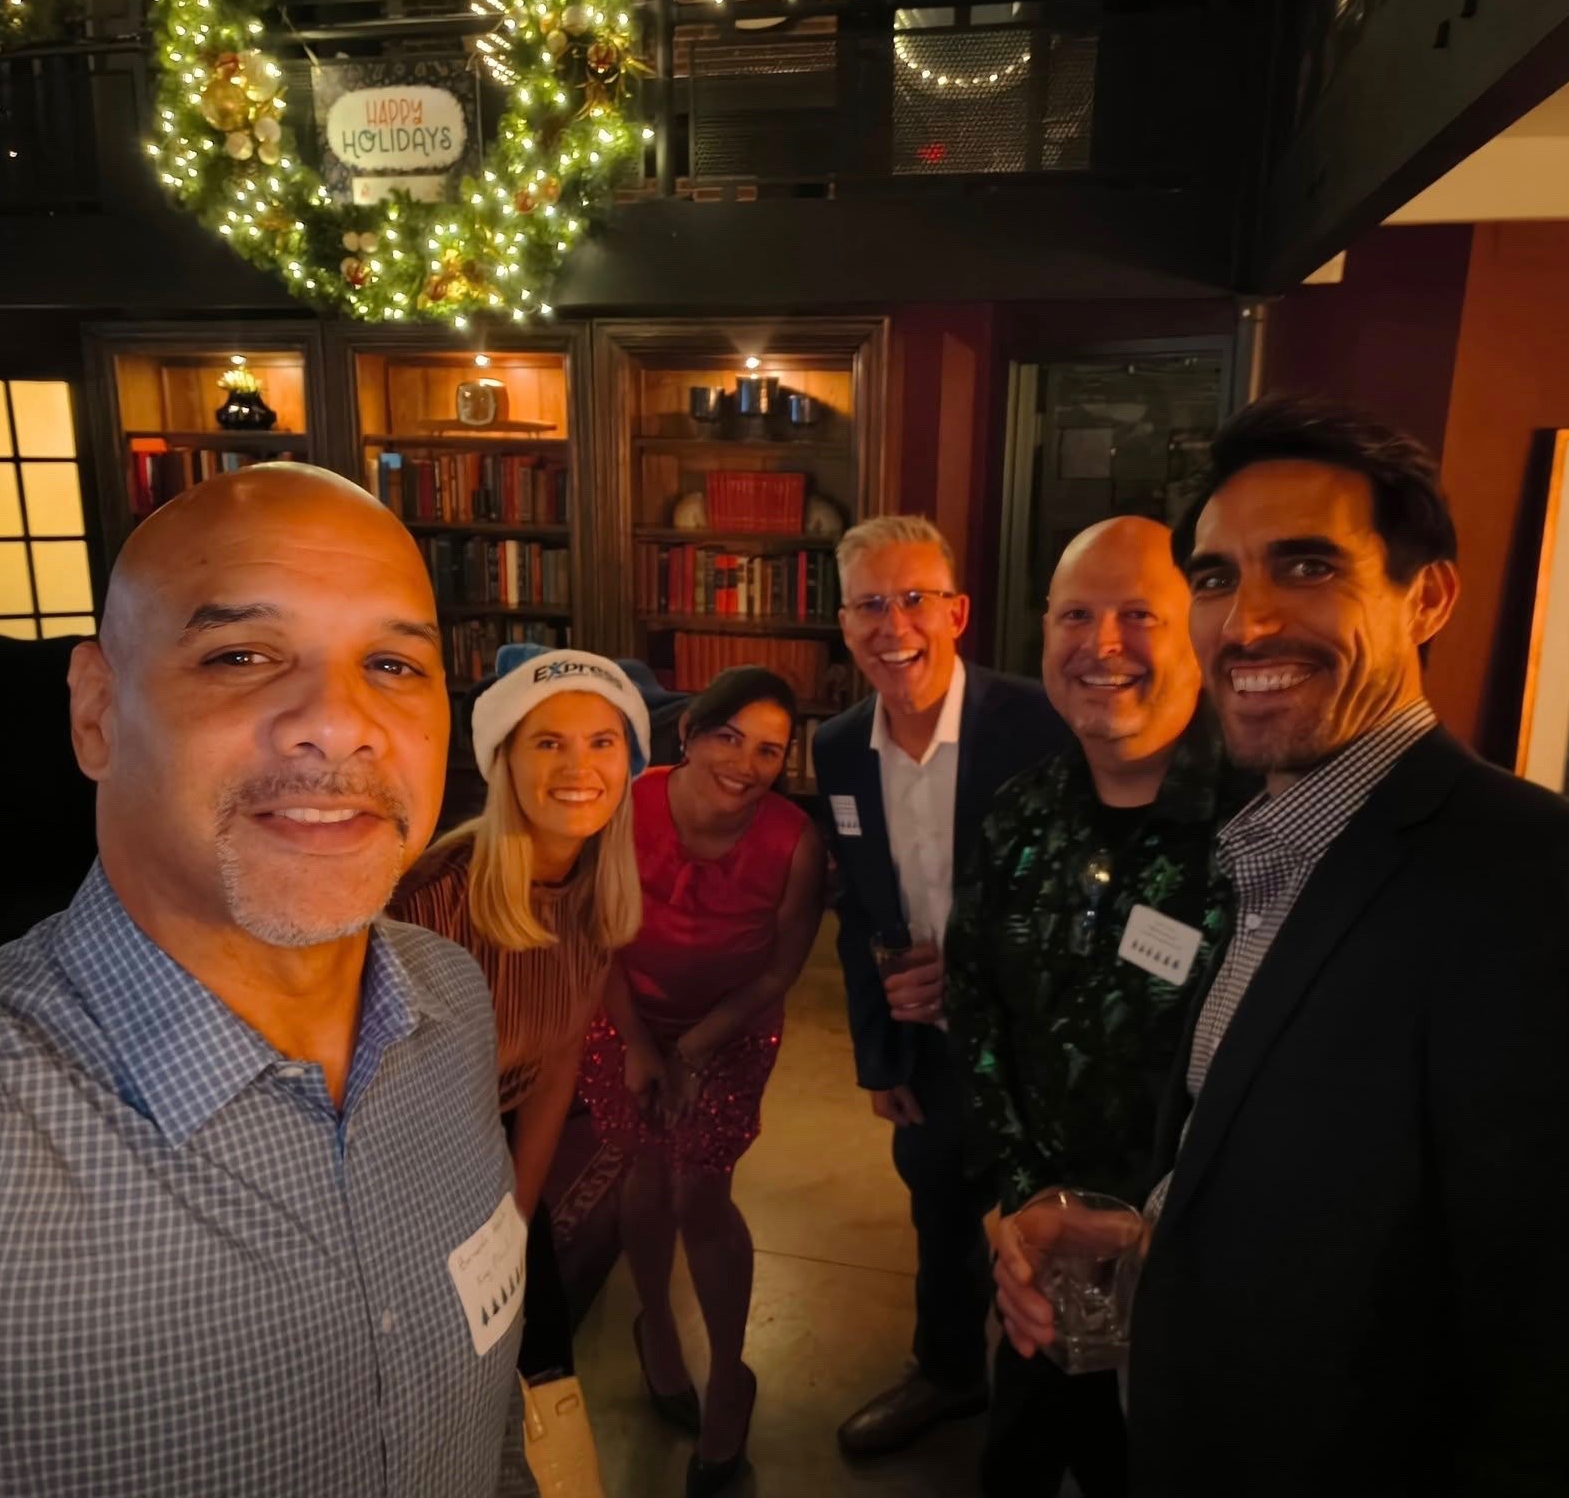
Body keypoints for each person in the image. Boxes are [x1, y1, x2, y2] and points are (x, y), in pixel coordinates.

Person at [1002, 397, 1569, 1495]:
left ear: (1425, 596)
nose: (1245, 624)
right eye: (1215, 578)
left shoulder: (1561, 894)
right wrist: (1150, 1231)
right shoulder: (1271, 845)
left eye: (1306, 566)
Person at [0, 464, 536, 1496]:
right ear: (97, 713)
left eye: (393, 665)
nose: (339, 721)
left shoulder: (448, 1000)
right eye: (240, 655)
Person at [954, 517, 1237, 1498]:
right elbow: (975, 1006)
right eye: (1075, 615)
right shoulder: (1018, 812)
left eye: (1137, 615)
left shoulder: (1260, 832)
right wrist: (1024, 1200)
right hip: (1039, 1261)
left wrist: (1164, 1238)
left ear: (1198, 632)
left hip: (1204, 1287)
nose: (1100, 644)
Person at [812, 514, 1070, 1457]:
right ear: (844, 623)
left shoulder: (1041, 722)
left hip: (1046, 1039)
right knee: (940, 1212)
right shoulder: (838, 746)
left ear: (956, 612)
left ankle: (1058, 1408)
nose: (894, 626)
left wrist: (968, 969)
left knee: (1060, 1227)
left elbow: (1080, 893)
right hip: (926, 1043)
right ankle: (951, 1373)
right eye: (869, 605)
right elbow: (859, 909)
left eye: (915, 598)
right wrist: (879, 1054)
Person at [578, 666, 826, 1497]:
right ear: (687, 734)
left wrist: (691, 1050)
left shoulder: (794, 842)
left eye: (769, 751)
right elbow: (597, 933)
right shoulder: (625, 803)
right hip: (625, 1015)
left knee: (701, 1194)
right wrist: (640, 1044)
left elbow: (779, 970)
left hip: (729, 1030)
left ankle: (728, 1375)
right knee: (643, 1173)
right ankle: (656, 1327)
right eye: (728, 736)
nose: (745, 764)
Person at [390, 644, 648, 1382]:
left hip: (497, 1147)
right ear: (504, 762)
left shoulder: (592, 888)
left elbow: (557, 1062)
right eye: (549, 743)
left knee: (540, 1357)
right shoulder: (432, 902)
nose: (579, 767)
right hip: (413, 1167)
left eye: (602, 742)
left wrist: (518, 1216)